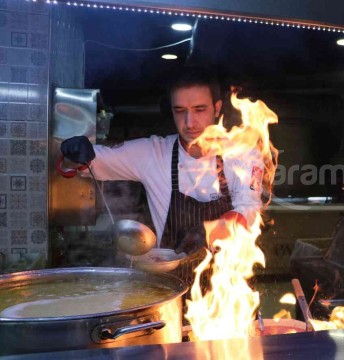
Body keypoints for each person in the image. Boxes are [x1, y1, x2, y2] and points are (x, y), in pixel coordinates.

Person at [58, 66, 265, 256]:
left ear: (217, 108)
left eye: (199, 110)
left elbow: (249, 211)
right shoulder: (153, 153)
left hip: (228, 286)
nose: (189, 122)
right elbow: (87, 163)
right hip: (169, 281)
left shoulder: (242, 153)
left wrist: (208, 231)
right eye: (180, 110)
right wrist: (74, 155)